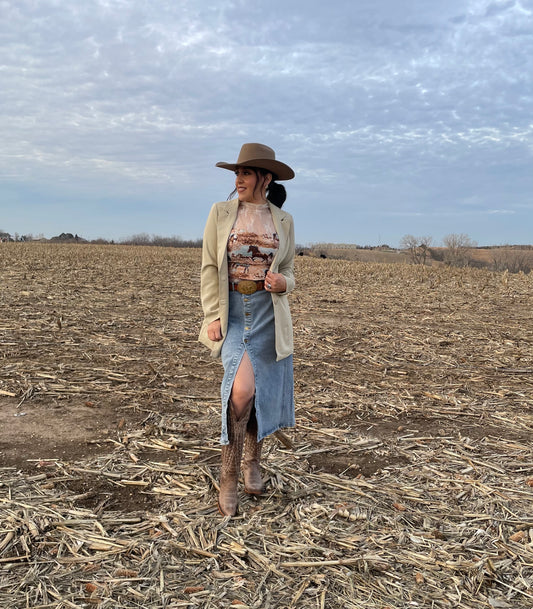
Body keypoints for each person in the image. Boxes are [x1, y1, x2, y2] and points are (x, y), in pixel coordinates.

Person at [199, 143, 296, 516]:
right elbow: (210, 266)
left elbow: (289, 270)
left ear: (265, 178)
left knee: (259, 390)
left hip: (269, 312)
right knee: (240, 391)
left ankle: (252, 462)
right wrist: (212, 315)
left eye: (245, 173)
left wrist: (283, 284)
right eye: (236, 174)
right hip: (234, 311)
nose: (238, 180)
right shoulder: (220, 213)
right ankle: (228, 476)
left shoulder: (282, 220)